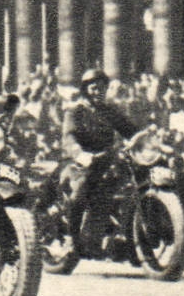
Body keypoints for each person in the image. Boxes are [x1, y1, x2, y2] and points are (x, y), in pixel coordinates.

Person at [60, 68, 143, 242]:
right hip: (81, 163)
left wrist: (147, 137)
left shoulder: (109, 112)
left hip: (106, 160)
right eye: (94, 88)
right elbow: (69, 136)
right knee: (80, 188)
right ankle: (72, 237)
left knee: (133, 180)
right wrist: (79, 153)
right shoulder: (75, 111)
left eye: (102, 87)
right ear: (86, 90)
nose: (98, 92)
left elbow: (130, 130)